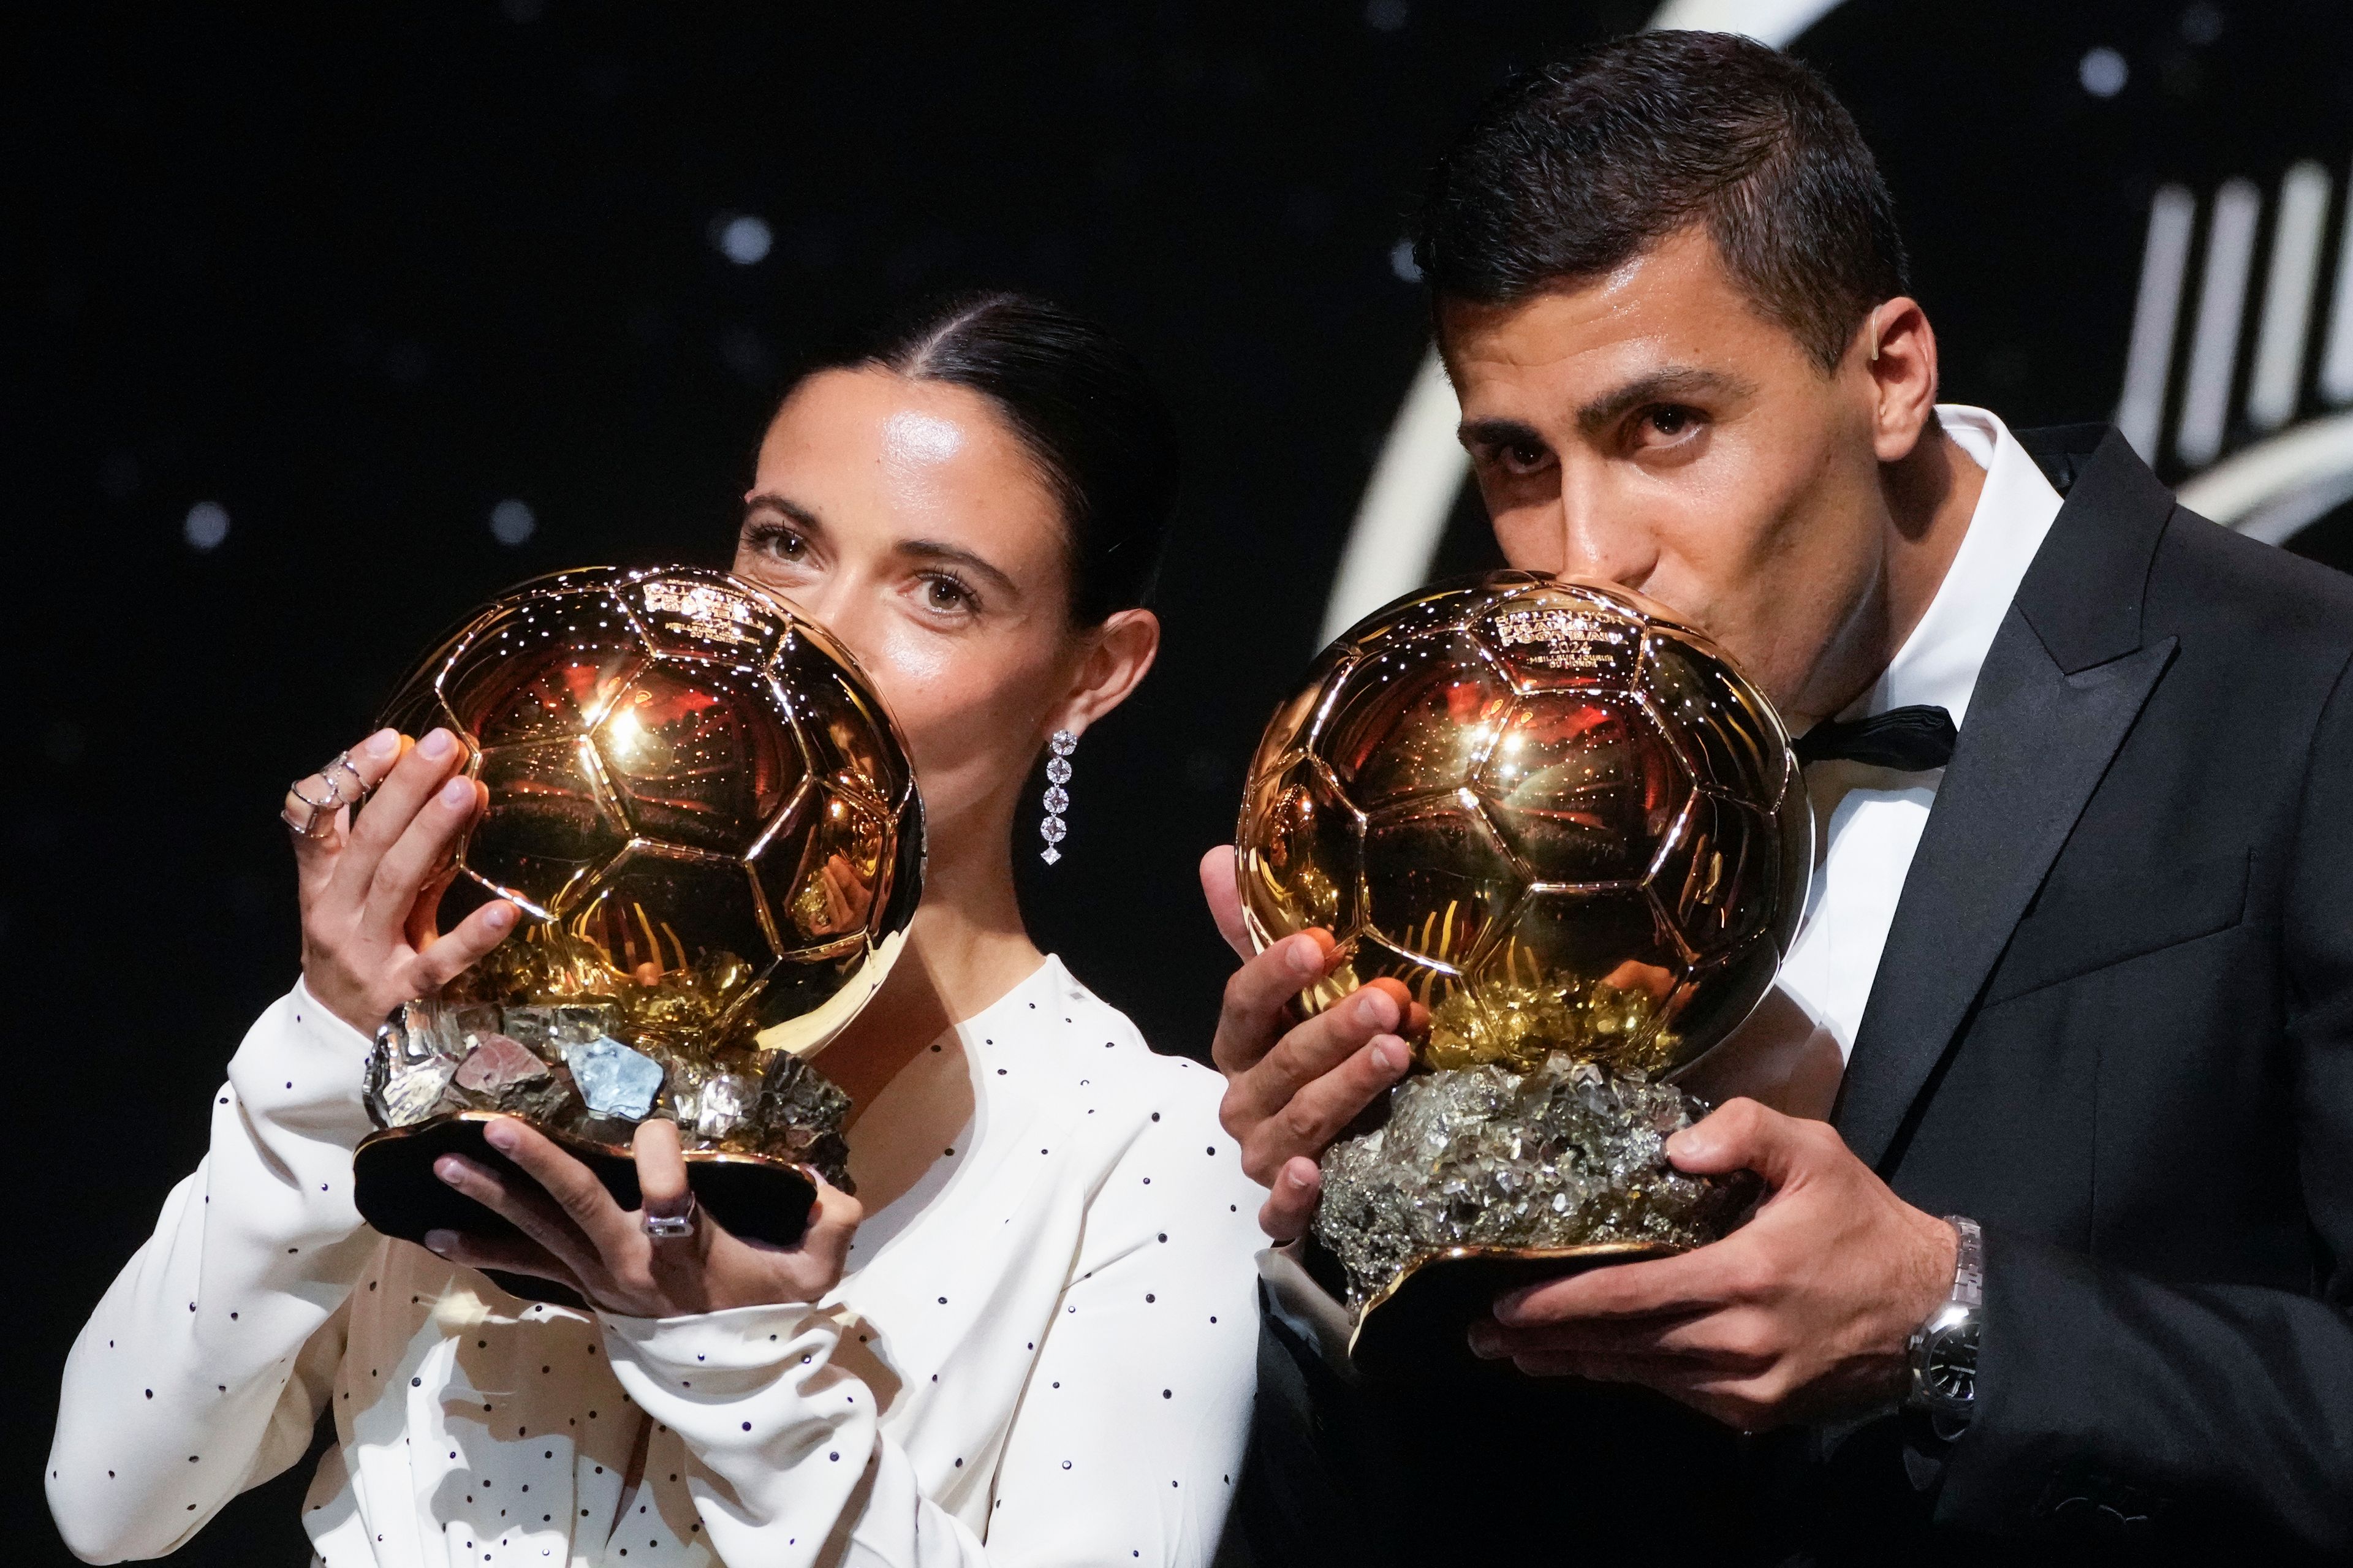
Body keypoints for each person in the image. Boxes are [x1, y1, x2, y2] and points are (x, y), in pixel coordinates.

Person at [1207, 31, 2353, 1565]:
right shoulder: (1480, 785)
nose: (1584, 553)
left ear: (1889, 372)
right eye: (1516, 460)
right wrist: (1313, 1216)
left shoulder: (2307, 692)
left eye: (1662, 426)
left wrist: (1954, 1316)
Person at [47, 290, 1268, 1567]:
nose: (813, 635)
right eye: (786, 543)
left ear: (1098, 670)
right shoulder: (495, 984)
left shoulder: (1138, 1149)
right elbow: (110, 1495)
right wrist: (325, 1041)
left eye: (942, 592)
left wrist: (740, 1369)